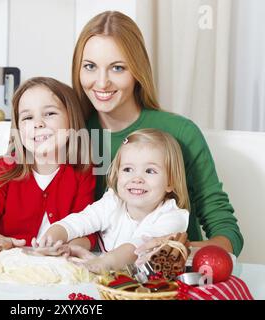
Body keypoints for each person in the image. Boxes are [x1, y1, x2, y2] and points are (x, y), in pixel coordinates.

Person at [70, 10, 243, 256]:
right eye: (90, 66)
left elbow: (226, 231)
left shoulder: (181, 132)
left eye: (117, 68)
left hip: (170, 282)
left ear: (137, 71)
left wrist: (173, 249)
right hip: (96, 277)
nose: (101, 82)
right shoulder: (71, 134)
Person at [0, 77, 97, 255]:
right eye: (27, 117)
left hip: (58, 270)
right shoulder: (3, 169)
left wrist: (69, 248)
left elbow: (89, 232)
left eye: (49, 113)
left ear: (72, 118)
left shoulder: (83, 172)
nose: (38, 123)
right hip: (10, 269)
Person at [35, 129, 190, 273]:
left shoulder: (173, 217)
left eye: (150, 171)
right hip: (104, 279)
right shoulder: (114, 202)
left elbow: (136, 248)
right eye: (128, 169)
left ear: (170, 181)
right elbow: (81, 220)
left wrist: (102, 263)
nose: (137, 179)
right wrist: (50, 239)